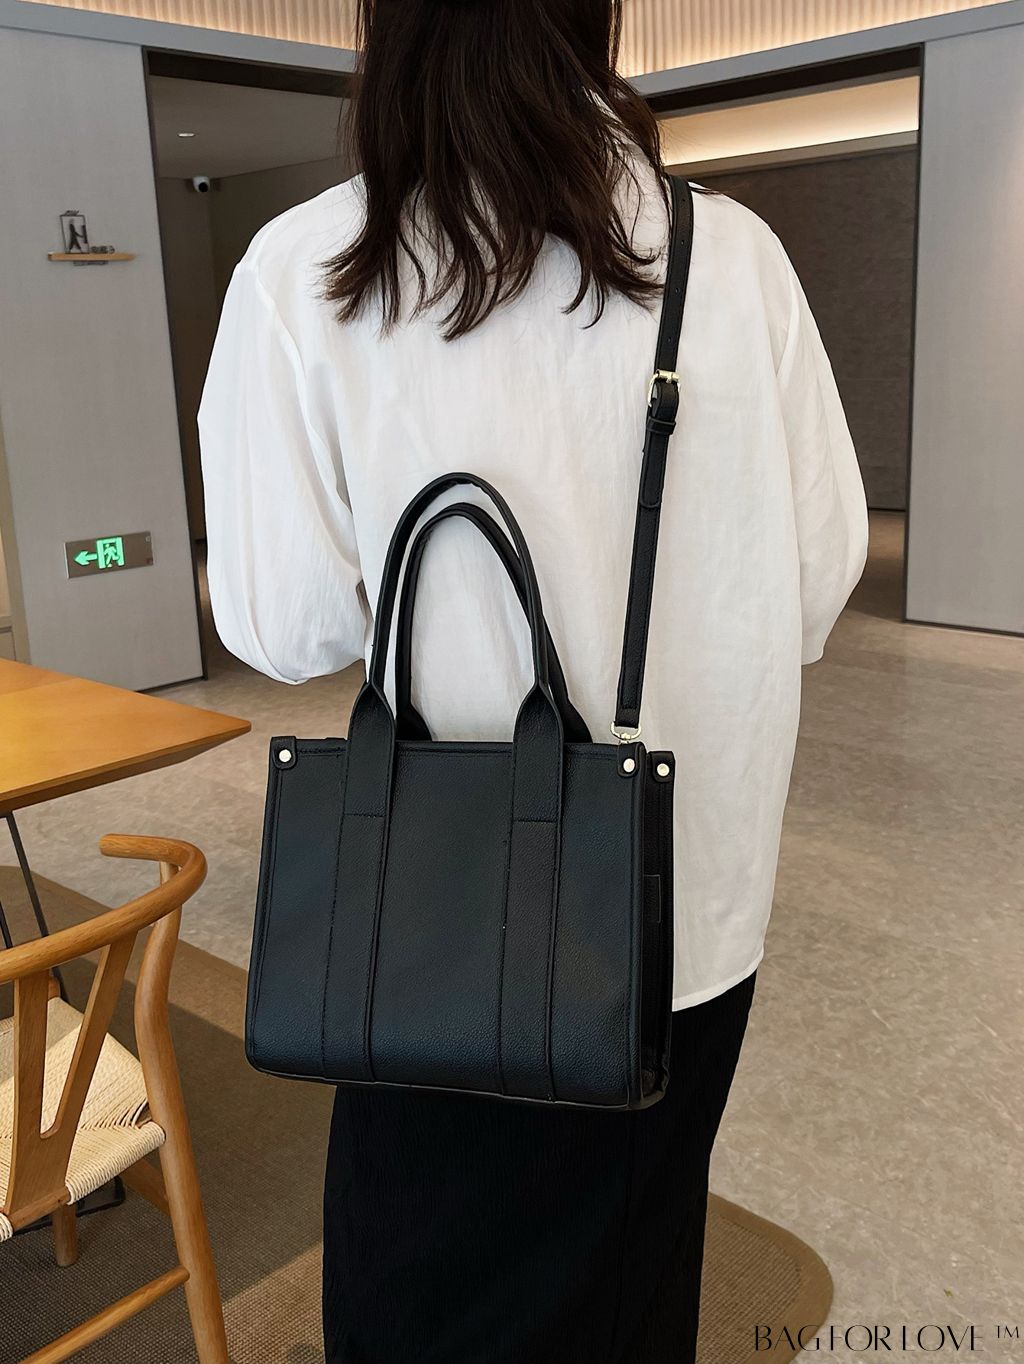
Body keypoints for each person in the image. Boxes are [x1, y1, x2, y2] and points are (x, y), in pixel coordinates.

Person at [197, 1, 868, 1359]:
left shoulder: (304, 269)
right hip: (680, 900)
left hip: (436, 912)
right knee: (637, 1258)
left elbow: (286, 625)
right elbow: (816, 583)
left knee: (424, 1282)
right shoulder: (726, 254)